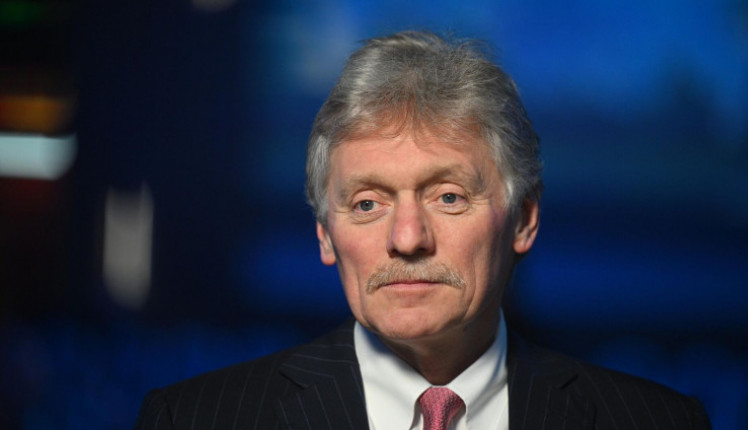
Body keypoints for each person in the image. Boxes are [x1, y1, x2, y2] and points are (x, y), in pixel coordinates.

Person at [135, 31, 711, 430]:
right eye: (367, 204)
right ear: (325, 235)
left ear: (524, 219)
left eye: (448, 197)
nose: (408, 238)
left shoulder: (658, 422)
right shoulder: (193, 421)